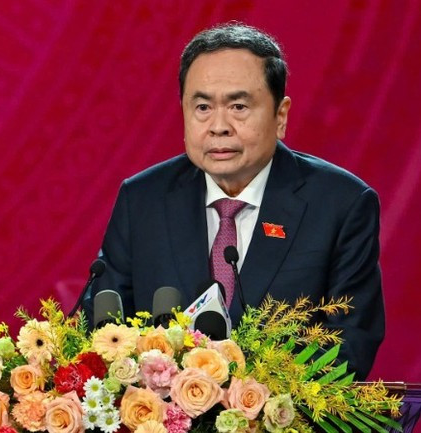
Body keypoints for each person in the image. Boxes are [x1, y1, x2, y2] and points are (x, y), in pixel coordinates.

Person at [86, 23, 384, 380]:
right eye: (202, 107)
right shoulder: (144, 199)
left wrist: (241, 401)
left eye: (239, 106)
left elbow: (348, 348)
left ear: (281, 116)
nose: (218, 126)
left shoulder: (341, 205)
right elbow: (100, 331)